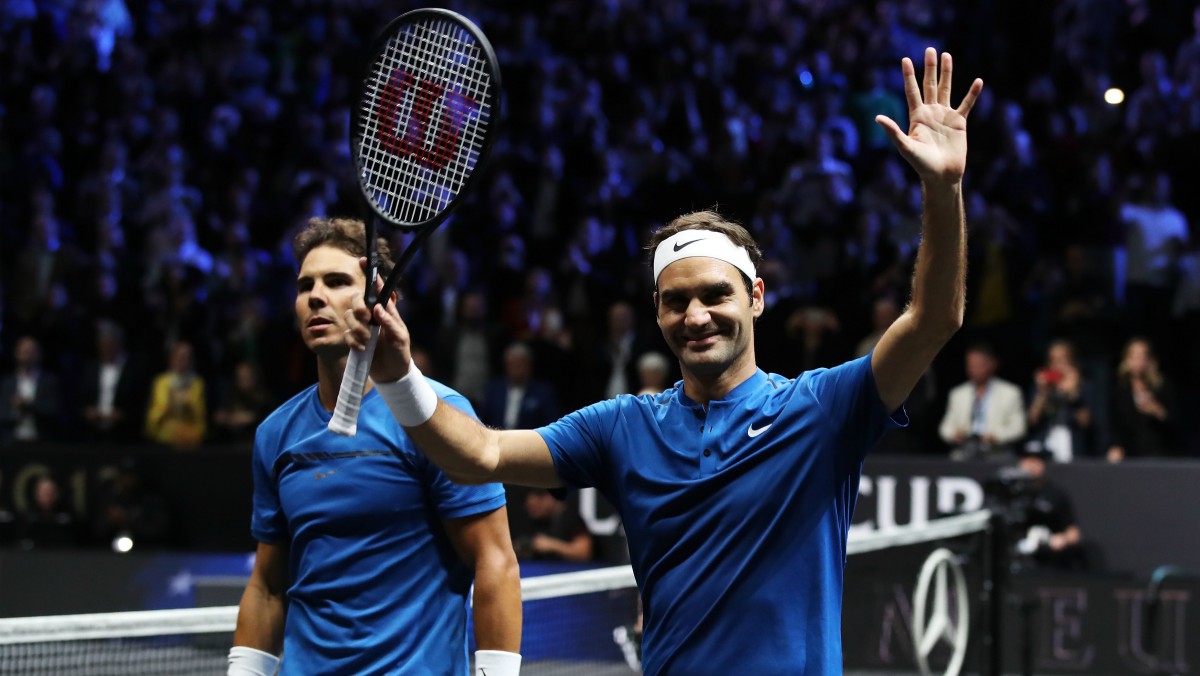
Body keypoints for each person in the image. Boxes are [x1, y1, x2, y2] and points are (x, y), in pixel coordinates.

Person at [347, 49, 983, 674]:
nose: (697, 315)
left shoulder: (822, 409)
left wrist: (943, 189)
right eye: (677, 301)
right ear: (657, 312)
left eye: (716, 295)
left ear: (757, 298)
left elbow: (934, 320)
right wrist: (398, 374)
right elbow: (479, 455)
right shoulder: (622, 426)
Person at [230, 217, 522, 676]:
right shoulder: (276, 433)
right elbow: (267, 586)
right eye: (305, 285)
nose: (316, 297)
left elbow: (495, 561)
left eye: (337, 281)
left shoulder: (440, 417)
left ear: (383, 299)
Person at [938, 342, 1028, 459]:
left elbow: (1019, 428)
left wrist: (995, 436)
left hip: (997, 454)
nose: (974, 369)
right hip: (964, 453)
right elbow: (945, 428)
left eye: (978, 365)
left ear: (992, 364)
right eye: (970, 365)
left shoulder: (1010, 392)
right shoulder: (958, 394)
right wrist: (954, 435)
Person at [1107, 336, 1177, 461]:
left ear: (1151, 359)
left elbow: (1177, 424)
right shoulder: (1120, 389)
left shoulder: (1162, 386)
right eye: (1134, 356)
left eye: (1143, 356)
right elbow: (1115, 424)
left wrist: (1158, 411)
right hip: (1131, 456)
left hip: (1160, 455)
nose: (1140, 361)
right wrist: (1116, 446)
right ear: (1126, 360)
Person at [0, 335, 62, 444]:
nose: (26, 355)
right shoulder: (7, 383)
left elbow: (53, 412)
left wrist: (29, 407)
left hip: (41, 441)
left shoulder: (49, 382)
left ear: (39, 354)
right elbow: (2, 412)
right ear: (16, 354)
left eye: (30, 351)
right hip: (12, 441)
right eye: (23, 351)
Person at [144, 341, 207, 448]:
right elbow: (154, 414)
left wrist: (189, 405)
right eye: (180, 357)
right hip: (164, 438)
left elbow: (200, 417)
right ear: (172, 359)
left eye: (187, 357)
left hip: (190, 437)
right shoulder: (161, 382)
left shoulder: (197, 383)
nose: (183, 361)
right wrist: (168, 406)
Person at [511, 488, 593, 563]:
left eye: (540, 496)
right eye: (529, 497)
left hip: (565, 572)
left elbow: (584, 552)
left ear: (554, 496)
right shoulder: (522, 519)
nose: (531, 502)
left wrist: (552, 545)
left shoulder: (570, 517)